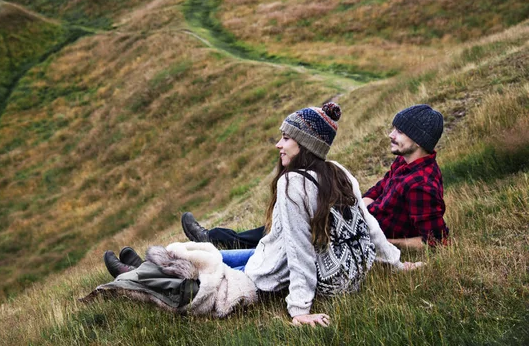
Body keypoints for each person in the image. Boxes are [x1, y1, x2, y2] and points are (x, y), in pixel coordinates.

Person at [99, 102, 415, 327]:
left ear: (305, 144)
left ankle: (132, 275)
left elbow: (300, 250)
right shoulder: (339, 172)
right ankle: (146, 266)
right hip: (271, 255)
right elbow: (369, 226)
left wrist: (299, 309)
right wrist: (396, 263)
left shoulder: (294, 184)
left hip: (269, 275)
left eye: (287, 138)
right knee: (206, 255)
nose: (279, 144)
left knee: (195, 283)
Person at [182, 104, 449, 250]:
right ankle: (219, 240)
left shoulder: (422, 185)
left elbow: (436, 241)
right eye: (394, 128)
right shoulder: (405, 164)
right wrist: (360, 208)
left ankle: (216, 241)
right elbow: (377, 190)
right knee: (293, 217)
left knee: (291, 227)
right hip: (356, 221)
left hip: (357, 236)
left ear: (419, 140)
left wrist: (382, 241)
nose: (391, 134)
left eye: (400, 131)